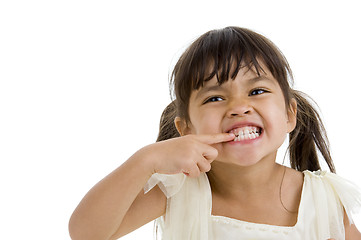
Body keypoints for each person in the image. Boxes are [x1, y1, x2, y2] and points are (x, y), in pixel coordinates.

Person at [69, 27, 361, 240]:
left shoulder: (323, 199)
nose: (239, 107)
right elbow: (87, 233)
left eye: (257, 91)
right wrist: (146, 159)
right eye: (215, 98)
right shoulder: (178, 191)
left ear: (289, 115)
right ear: (186, 130)